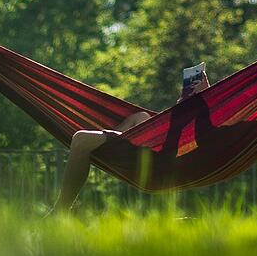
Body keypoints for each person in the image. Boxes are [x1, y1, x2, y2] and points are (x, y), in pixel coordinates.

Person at [54, 70, 210, 211]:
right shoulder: (188, 113)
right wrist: (186, 101)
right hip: (146, 141)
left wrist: (204, 97)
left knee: (81, 139)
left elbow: (187, 132)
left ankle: (60, 209)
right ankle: (110, 137)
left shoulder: (197, 123)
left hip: (155, 156)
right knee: (141, 116)